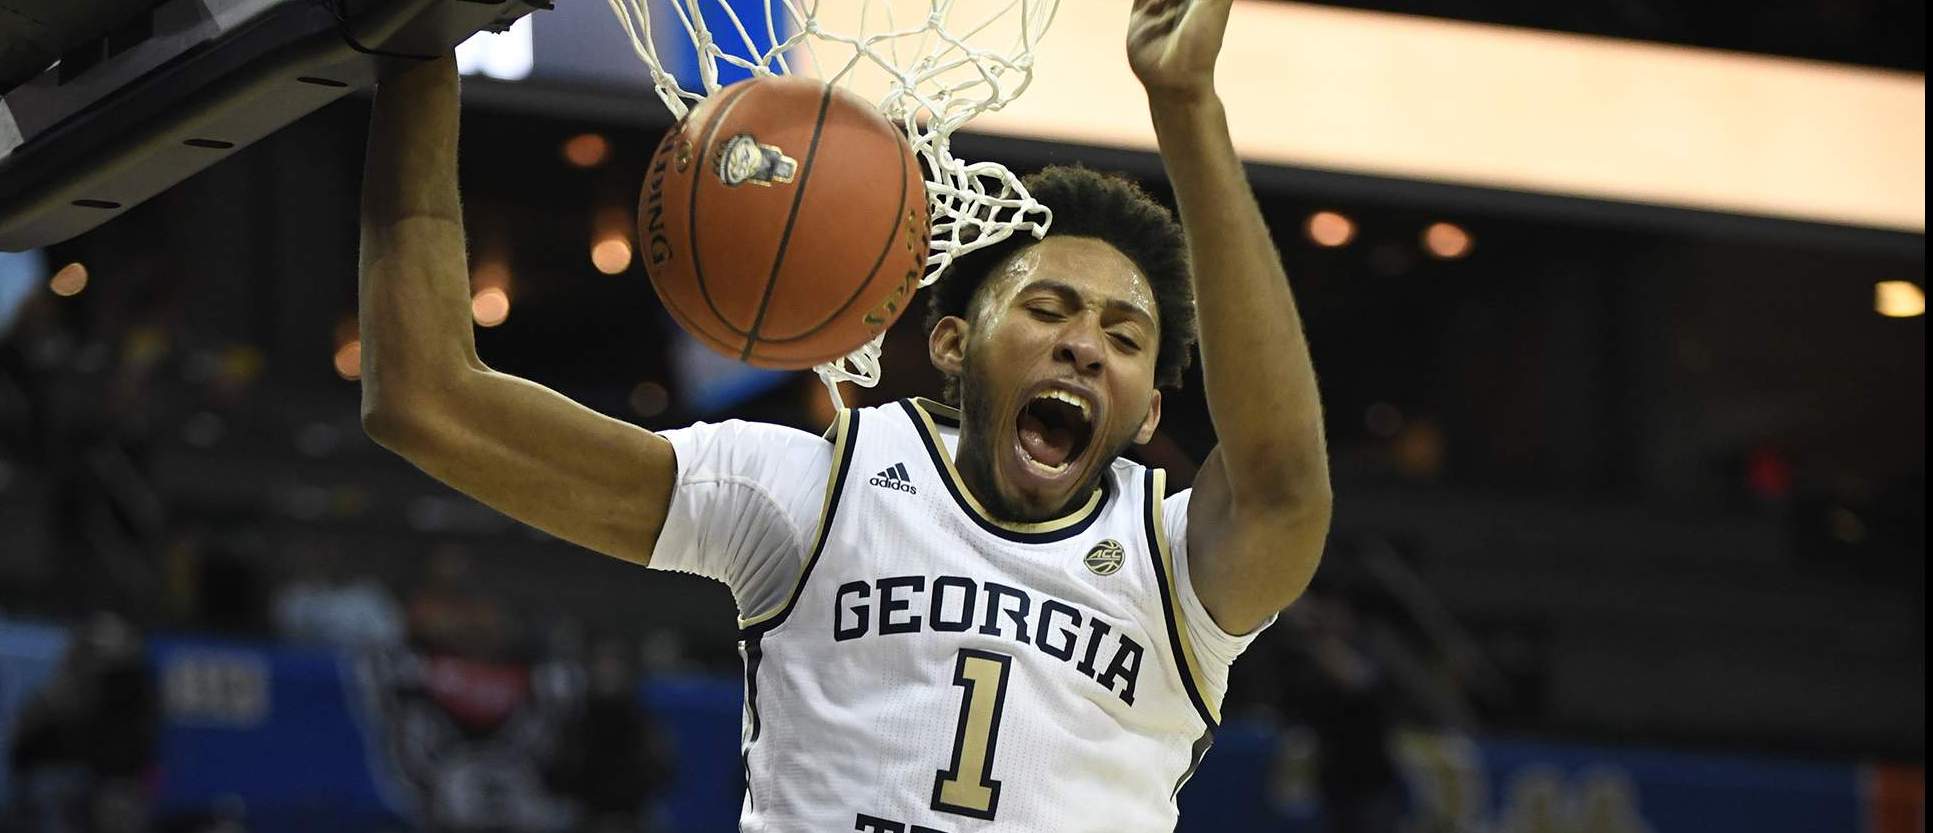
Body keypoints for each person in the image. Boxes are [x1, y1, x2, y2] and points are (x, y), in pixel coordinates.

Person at [356, 0, 1330, 828]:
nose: (1084, 341)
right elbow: (426, 399)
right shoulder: (814, 492)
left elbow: (1284, 484)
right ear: (951, 344)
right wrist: (417, 55)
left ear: (1149, 406)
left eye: (1124, 336)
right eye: (1045, 307)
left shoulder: (1173, 562)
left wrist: (1185, 103)